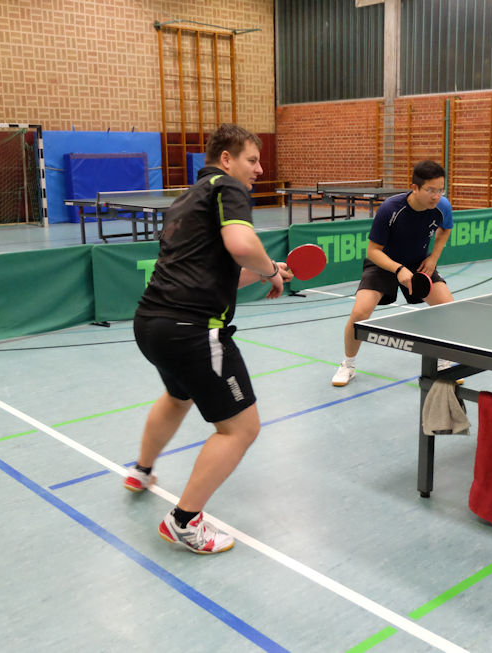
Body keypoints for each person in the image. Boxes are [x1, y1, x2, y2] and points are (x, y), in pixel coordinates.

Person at [124, 123, 293, 555]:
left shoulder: (187, 199)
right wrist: (270, 269)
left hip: (152, 323)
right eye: (252, 160)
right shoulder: (228, 188)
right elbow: (242, 244)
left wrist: (266, 272)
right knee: (241, 429)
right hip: (194, 330)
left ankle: (141, 470)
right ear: (226, 160)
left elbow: (214, 274)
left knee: (177, 397)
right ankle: (183, 521)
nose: (259, 169)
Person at [331, 160, 454, 386]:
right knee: (360, 313)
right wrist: (398, 269)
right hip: (384, 264)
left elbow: (445, 230)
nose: (437, 196)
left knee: (448, 308)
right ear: (415, 188)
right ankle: (348, 364)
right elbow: (373, 251)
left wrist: (433, 258)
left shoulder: (442, 206)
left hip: (417, 264)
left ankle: (443, 362)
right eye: (431, 190)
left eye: (441, 190)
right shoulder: (391, 208)